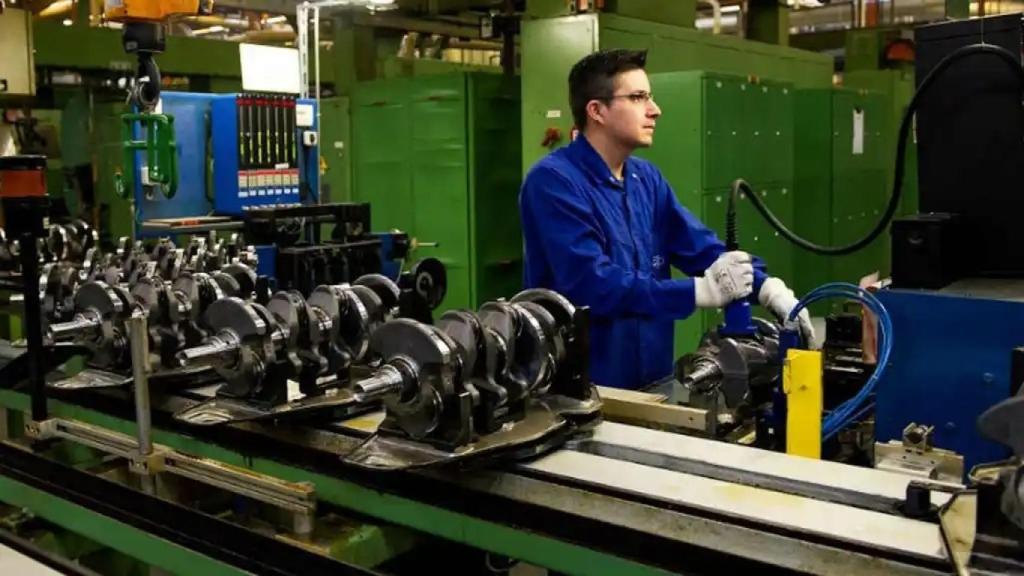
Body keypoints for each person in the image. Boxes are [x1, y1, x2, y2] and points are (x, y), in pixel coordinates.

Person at [519, 49, 815, 390]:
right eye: (638, 97)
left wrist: (766, 289)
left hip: (653, 379)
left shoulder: (645, 179)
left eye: (650, 96)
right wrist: (696, 292)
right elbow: (592, 285)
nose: (654, 110)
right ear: (596, 111)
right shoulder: (554, 182)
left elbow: (698, 248)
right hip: (582, 388)